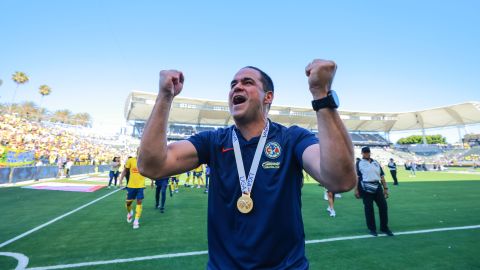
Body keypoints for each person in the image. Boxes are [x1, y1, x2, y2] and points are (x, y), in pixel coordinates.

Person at [138, 59, 356, 269]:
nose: (236, 87)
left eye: (247, 82)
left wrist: (321, 93)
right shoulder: (213, 141)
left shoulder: (292, 139)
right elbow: (152, 166)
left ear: (268, 97)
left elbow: (341, 179)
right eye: (233, 84)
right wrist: (165, 96)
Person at [355, 146, 394, 237]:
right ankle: (372, 229)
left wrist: (385, 189)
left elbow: (382, 176)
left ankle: (384, 228)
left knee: (383, 207)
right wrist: (356, 190)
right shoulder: (359, 163)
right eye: (364, 152)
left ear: (370, 152)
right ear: (362, 153)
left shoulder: (376, 162)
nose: (366, 153)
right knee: (369, 209)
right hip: (365, 187)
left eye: (368, 152)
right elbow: (356, 177)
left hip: (377, 186)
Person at [119, 150, 146, 229]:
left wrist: (152, 181)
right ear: (137, 152)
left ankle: (136, 221)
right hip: (131, 186)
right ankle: (130, 212)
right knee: (128, 203)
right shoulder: (130, 160)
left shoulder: (145, 162)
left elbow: (149, 171)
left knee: (139, 202)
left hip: (141, 186)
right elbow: (124, 171)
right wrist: (120, 181)